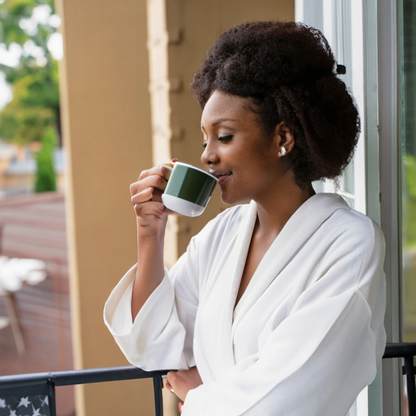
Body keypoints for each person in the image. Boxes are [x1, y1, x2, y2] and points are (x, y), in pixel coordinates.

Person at [104, 21, 386, 416]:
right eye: (205, 139)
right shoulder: (222, 235)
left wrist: (199, 395)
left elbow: (288, 395)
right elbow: (153, 346)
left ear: (283, 138)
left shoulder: (349, 243)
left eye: (224, 136)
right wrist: (150, 234)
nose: (206, 156)